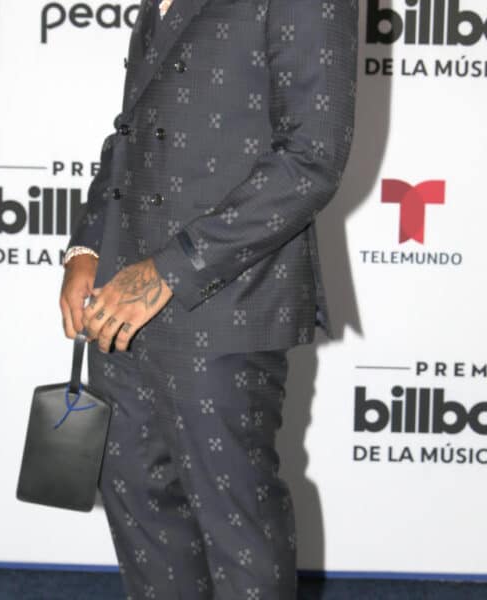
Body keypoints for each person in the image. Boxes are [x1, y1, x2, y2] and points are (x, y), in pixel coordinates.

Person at [59, 0, 357, 596]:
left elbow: (312, 160)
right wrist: (86, 247)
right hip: (121, 303)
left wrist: (168, 270)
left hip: (228, 304)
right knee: (140, 508)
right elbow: (129, 133)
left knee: (235, 522)